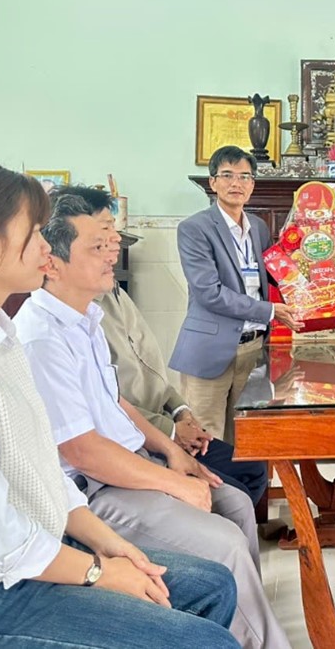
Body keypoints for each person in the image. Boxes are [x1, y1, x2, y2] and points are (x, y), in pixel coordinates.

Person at [0, 161, 239, 648]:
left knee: (210, 585)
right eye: (34, 230)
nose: (46, 246)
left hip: (23, 551)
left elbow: (35, 465)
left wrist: (108, 543)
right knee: (207, 641)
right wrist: (98, 571)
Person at [14, 196, 289, 649]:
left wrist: (172, 452)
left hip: (132, 463)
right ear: (52, 262)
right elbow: (82, 451)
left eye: (111, 242)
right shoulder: (41, 337)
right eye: (98, 246)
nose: (112, 253)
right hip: (98, 489)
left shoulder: (85, 319)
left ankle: (239, 625)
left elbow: (116, 402)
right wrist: (173, 483)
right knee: (223, 541)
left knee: (236, 503)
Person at [52, 183, 267, 505]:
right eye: (103, 234)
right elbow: (107, 407)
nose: (116, 240)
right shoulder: (74, 318)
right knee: (231, 494)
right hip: (134, 441)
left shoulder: (113, 293)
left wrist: (181, 412)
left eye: (113, 229)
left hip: (162, 424)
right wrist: (171, 433)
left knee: (250, 467)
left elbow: (150, 369)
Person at [169, 145, 303, 444]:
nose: (236, 183)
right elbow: (210, 293)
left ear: (252, 184)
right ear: (213, 182)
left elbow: (275, 275)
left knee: (247, 437)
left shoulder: (258, 227)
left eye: (244, 176)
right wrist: (270, 311)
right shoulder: (194, 228)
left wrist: (316, 277)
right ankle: (206, 480)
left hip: (254, 350)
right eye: (227, 175)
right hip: (211, 350)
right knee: (207, 440)